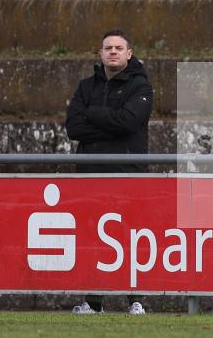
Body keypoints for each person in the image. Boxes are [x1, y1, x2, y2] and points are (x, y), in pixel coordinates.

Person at [65, 29, 154, 315]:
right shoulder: (85, 87)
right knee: (93, 237)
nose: (113, 51)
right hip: (91, 175)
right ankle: (93, 303)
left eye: (118, 47)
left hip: (128, 173)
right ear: (101, 53)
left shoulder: (141, 87)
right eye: (108, 47)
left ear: (129, 53)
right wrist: (110, 120)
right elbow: (73, 128)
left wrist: (93, 113)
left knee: (130, 236)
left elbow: (129, 122)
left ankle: (135, 300)